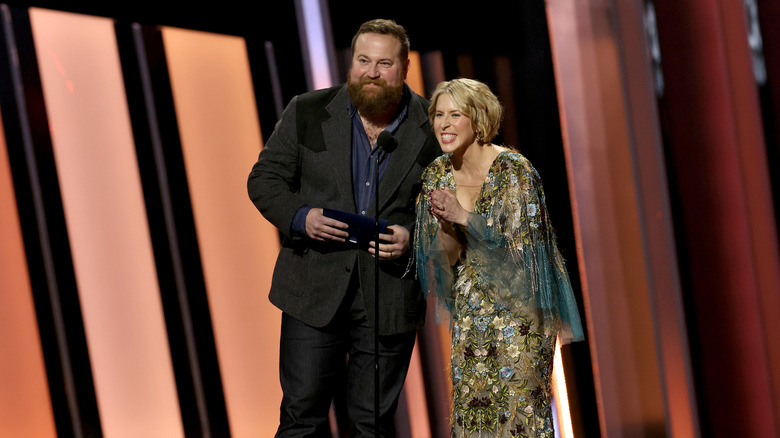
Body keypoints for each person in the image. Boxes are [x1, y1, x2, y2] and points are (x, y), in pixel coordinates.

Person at [247, 18, 441, 437]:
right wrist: (303, 217)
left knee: (370, 425)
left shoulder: (433, 128)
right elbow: (264, 180)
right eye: (363, 60)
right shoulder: (309, 110)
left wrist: (415, 238)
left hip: (389, 294)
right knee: (301, 418)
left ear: (405, 67)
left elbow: (455, 211)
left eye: (384, 63)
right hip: (312, 289)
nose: (371, 72)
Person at [414, 78, 584, 437]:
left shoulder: (514, 172)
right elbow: (445, 260)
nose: (443, 124)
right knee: (473, 420)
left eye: (454, 114)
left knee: (517, 422)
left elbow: (523, 263)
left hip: (520, 318)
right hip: (471, 318)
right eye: (438, 115)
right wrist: (446, 225)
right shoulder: (436, 175)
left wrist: (463, 216)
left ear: (477, 119)